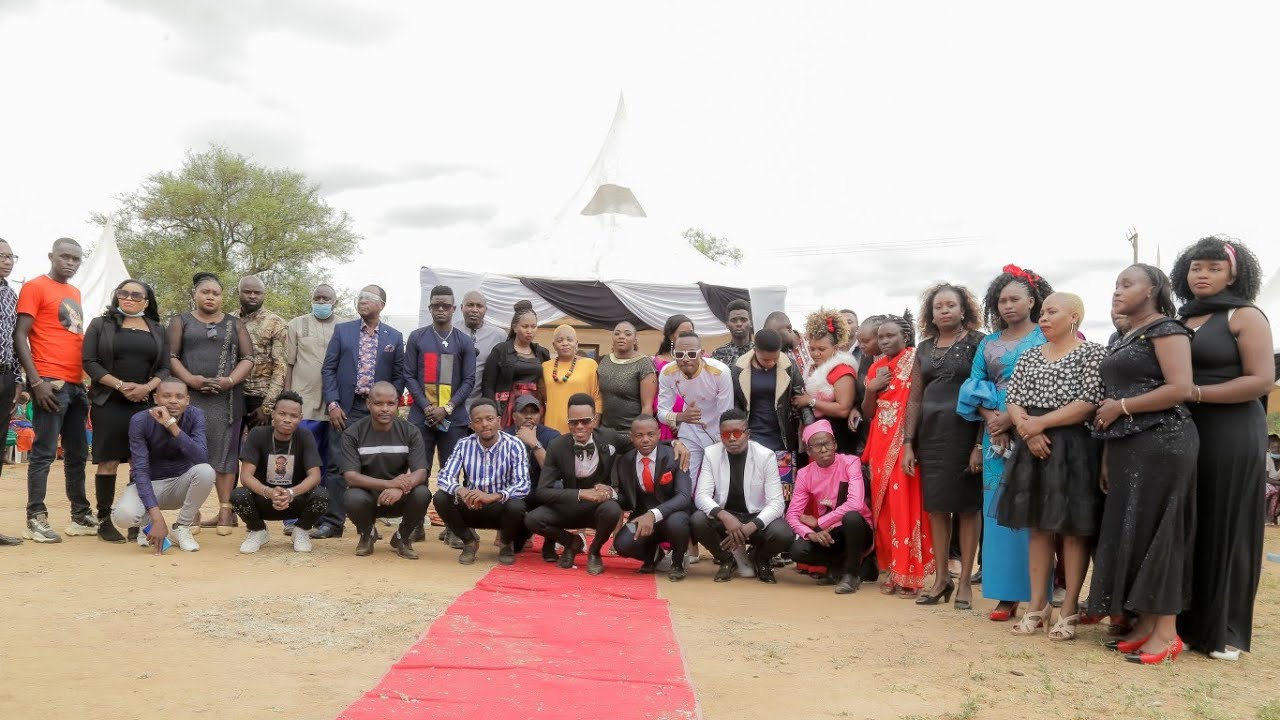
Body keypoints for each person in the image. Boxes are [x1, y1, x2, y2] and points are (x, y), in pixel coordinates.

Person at [1087, 264, 1198, 665]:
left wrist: (1122, 407)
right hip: (1127, 444)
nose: (1117, 291)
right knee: (1137, 531)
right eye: (1116, 284)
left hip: (1163, 440)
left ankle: (1167, 633)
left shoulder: (1167, 329)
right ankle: (1147, 624)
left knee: (1161, 531)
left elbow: (1180, 388)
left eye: (1127, 284)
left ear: (1152, 289)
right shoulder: (1125, 335)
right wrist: (1107, 452)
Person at [1172, 237, 1274, 661]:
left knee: (1227, 523)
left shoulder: (1244, 315)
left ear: (1234, 274)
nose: (1203, 274)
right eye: (1197, 267)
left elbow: (1261, 379)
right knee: (1190, 522)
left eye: (1214, 267)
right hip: (1185, 429)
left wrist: (1195, 393)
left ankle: (1227, 630)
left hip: (1232, 430)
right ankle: (1185, 623)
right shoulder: (1182, 317)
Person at [998, 293, 1106, 640]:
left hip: (1075, 448)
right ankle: (1037, 605)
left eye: (1051, 312)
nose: (1043, 318)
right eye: (1042, 312)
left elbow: (1088, 402)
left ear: (1074, 317)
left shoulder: (1092, 353)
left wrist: (1039, 425)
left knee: (1073, 531)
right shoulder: (1030, 355)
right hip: (1034, 447)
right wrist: (1028, 431)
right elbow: (1014, 400)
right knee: (1038, 528)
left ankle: (1069, 607)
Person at [958, 264, 1053, 621]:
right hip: (994, 432)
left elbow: (1051, 381)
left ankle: (1039, 595)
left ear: (1032, 300)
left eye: (1015, 299)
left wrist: (1013, 419)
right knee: (997, 511)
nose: (1008, 306)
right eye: (1001, 300)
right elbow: (973, 384)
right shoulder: (988, 342)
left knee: (1033, 509)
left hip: (1035, 427)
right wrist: (992, 420)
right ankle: (1005, 595)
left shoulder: (1046, 335)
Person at [901, 284, 985, 609]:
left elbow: (985, 392)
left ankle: (964, 582)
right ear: (931, 314)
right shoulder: (923, 348)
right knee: (936, 508)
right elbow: (914, 397)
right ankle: (941, 579)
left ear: (964, 310)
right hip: (931, 437)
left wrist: (979, 444)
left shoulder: (978, 343)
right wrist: (909, 443)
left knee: (967, 508)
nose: (945, 310)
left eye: (951, 305)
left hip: (965, 434)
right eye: (939, 307)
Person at [313, 285, 405, 540]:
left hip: (377, 412)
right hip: (346, 408)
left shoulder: (394, 337)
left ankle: (368, 525)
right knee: (337, 465)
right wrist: (333, 404)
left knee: (374, 466)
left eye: (369, 298)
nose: (363, 301)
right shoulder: (343, 331)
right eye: (360, 297)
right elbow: (328, 369)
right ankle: (333, 523)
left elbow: (398, 376)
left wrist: (387, 407)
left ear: (382, 305)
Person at [82, 279, 170, 544]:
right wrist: (121, 385)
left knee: (139, 461)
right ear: (117, 296)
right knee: (108, 461)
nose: (129, 298)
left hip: (144, 403)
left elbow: (164, 367)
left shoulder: (157, 329)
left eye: (136, 295)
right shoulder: (100, 324)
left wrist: (147, 388)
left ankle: (136, 520)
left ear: (147, 301)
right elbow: (89, 362)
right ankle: (104, 520)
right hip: (109, 401)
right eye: (124, 293)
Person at [17, 238, 92, 543]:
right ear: (51, 256)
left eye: (76, 259)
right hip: (49, 381)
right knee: (44, 452)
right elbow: (20, 335)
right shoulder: (35, 287)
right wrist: (36, 382)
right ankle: (35, 518)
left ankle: (80, 515)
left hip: (75, 383)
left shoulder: (74, 292)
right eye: (65, 257)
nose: (70, 263)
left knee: (77, 453)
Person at [167, 272, 254, 536]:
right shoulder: (180, 321)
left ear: (222, 297)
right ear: (195, 294)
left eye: (216, 293)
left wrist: (230, 381)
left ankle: (225, 511)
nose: (210, 297)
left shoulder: (235, 324)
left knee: (225, 453)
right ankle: (191, 512)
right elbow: (170, 356)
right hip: (190, 397)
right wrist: (190, 380)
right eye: (205, 292)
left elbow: (248, 358)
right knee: (189, 450)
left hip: (226, 398)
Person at [862, 315, 933, 597]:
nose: (884, 341)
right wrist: (871, 389)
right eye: (880, 337)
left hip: (905, 444)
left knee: (905, 506)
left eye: (890, 335)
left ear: (906, 337)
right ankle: (892, 570)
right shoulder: (876, 368)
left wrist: (911, 444)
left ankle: (910, 574)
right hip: (880, 445)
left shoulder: (915, 360)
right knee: (884, 510)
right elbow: (869, 412)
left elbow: (920, 402)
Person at [525, 393, 627, 575]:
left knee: (612, 509)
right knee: (533, 519)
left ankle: (594, 552)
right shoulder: (557, 445)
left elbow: (641, 443)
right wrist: (581, 493)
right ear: (568, 421)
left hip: (598, 509)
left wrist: (674, 443)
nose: (579, 426)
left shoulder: (609, 437)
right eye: (574, 422)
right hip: (569, 507)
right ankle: (572, 542)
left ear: (594, 420)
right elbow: (542, 491)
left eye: (585, 421)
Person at [113, 379, 216, 553]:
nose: (173, 401)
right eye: (166, 396)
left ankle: (181, 527)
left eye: (179, 396)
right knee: (122, 517)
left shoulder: (195, 415)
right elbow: (140, 470)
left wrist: (171, 425)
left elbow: (201, 457)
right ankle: (147, 525)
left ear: (187, 400)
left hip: (179, 484)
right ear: (155, 398)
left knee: (206, 471)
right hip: (148, 484)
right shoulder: (140, 420)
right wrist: (157, 518)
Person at [690, 409, 791, 583]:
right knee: (697, 520)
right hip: (726, 518)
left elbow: (777, 503)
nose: (731, 438)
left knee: (783, 534)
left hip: (756, 517)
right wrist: (725, 516)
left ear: (748, 434)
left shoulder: (766, 456)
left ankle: (760, 559)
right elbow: (701, 496)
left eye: (737, 433)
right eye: (725, 434)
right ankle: (726, 559)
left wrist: (752, 526)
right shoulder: (711, 454)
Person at [338, 382, 430, 558]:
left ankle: (403, 537)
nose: (385, 409)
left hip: (400, 495)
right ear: (368, 404)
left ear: (398, 404)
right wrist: (389, 484)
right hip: (369, 496)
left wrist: (399, 488)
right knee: (351, 497)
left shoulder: (410, 431)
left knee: (422, 493)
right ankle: (367, 534)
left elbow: (420, 472)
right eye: (378, 403)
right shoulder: (353, 433)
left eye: (391, 403)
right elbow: (351, 476)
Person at [434, 398, 531, 565]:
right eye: (478, 421)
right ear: (471, 425)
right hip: (473, 505)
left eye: (489, 419)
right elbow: (444, 476)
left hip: (500, 507)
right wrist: (462, 491)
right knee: (440, 498)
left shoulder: (514, 445)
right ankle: (469, 542)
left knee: (517, 505)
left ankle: (506, 544)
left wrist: (493, 496)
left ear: (499, 421)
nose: (485, 424)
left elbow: (523, 484)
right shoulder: (464, 444)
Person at [231, 390, 329, 554]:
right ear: (273, 414)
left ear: (300, 418)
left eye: (293, 416)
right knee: (238, 495)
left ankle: (301, 530)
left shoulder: (305, 436)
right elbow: (246, 476)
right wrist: (268, 492)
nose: (287, 419)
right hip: (264, 498)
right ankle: (258, 530)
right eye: (282, 414)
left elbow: (315, 476)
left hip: (294, 499)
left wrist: (291, 493)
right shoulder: (258, 434)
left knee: (322, 495)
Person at [786, 420, 873, 594]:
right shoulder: (804, 474)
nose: (824, 449)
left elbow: (855, 504)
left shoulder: (850, 462)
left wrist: (819, 523)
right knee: (798, 550)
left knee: (852, 517)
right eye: (817, 446)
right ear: (809, 451)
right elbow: (792, 515)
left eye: (827, 443)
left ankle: (851, 574)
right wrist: (811, 533)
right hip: (830, 534)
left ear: (835, 444)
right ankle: (839, 566)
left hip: (857, 530)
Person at [405, 285, 477, 475]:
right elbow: (409, 375)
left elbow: (469, 380)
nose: (440, 309)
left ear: (454, 308)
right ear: (429, 308)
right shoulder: (416, 337)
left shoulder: (464, 341)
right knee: (419, 472)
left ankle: (448, 497)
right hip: (421, 418)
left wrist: (447, 408)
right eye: (436, 306)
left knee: (451, 473)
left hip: (454, 419)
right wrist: (426, 407)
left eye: (445, 306)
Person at [612, 414, 693, 581]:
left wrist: (653, 514)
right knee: (622, 543)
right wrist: (611, 495)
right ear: (631, 437)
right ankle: (653, 556)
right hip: (641, 518)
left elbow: (684, 497)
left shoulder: (675, 456)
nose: (645, 440)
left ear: (659, 434)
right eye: (639, 435)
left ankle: (677, 562)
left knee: (677, 522)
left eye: (650, 434)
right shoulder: (625, 461)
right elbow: (627, 501)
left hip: (671, 515)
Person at [283, 284, 341, 499]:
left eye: (326, 299)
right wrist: (287, 399)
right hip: (304, 401)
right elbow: (289, 364)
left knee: (330, 458)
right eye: (317, 298)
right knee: (301, 455)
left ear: (334, 302)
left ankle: (322, 505)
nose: (321, 302)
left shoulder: (346, 326)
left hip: (334, 403)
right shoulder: (296, 324)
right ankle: (296, 505)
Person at [657, 332, 734, 485]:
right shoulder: (667, 373)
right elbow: (661, 413)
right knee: (687, 479)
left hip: (717, 430)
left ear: (701, 353)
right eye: (680, 354)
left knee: (717, 482)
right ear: (674, 354)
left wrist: (721, 440)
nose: (685, 359)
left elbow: (726, 413)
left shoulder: (719, 372)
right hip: (690, 430)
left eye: (691, 354)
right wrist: (681, 417)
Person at [502, 394, 560, 561]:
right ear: (514, 416)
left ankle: (549, 543)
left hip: (541, 491)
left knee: (559, 488)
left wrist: (534, 444)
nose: (529, 416)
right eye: (523, 412)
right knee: (517, 547)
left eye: (533, 412)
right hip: (516, 493)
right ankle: (511, 536)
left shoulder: (552, 436)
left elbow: (554, 472)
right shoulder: (504, 436)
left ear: (540, 415)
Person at [730, 328, 807, 455]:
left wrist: (810, 426)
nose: (771, 363)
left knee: (783, 469)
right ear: (755, 350)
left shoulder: (789, 366)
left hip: (784, 438)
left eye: (776, 358)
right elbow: (736, 403)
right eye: (765, 360)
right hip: (752, 438)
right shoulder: (739, 368)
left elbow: (801, 398)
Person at [796, 309, 860, 454]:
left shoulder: (842, 370)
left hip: (836, 438)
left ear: (835, 348)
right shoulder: (813, 368)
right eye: (812, 349)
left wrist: (810, 401)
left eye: (821, 349)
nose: (815, 353)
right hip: (816, 437)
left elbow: (843, 409)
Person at [483, 300, 549, 426]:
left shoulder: (542, 353)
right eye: (525, 326)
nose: (529, 331)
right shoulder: (501, 350)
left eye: (533, 326)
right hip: (507, 406)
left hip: (535, 406)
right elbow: (488, 385)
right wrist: (492, 413)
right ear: (514, 327)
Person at [237, 275, 288, 429]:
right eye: (247, 292)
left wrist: (267, 406)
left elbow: (280, 367)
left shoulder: (276, 323)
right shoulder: (229, 320)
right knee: (228, 444)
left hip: (261, 397)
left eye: (257, 292)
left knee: (260, 444)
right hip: (233, 395)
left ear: (264, 294)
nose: (252, 296)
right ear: (239, 292)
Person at [0, 238, 22, 546]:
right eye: (1, 256)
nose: (7, 261)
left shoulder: (10, 294)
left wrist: (18, 381)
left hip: (5, 379)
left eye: (10, 256)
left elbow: (16, 341)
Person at [597, 321, 657, 433]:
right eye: (617, 333)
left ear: (635, 340)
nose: (621, 336)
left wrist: (641, 433)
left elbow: (647, 406)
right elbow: (598, 398)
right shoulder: (605, 361)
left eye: (627, 334)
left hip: (631, 432)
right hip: (605, 431)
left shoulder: (644, 363)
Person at [542, 325, 601, 433]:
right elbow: (543, 398)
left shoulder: (590, 365)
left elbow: (597, 398)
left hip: (582, 427)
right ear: (554, 345)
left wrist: (594, 428)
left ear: (577, 343)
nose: (565, 343)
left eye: (569, 340)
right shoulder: (545, 367)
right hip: (552, 427)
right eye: (560, 340)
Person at [652, 314, 694, 441]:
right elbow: (654, 394)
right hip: (667, 420)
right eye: (683, 334)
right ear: (671, 336)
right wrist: (672, 419)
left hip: (693, 419)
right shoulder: (656, 362)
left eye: (691, 333)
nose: (688, 337)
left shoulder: (701, 360)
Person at [460, 291, 506, 409]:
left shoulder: (499, 335)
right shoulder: (451, 331)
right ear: (461, 308)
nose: (474, 310)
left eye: (479, 306)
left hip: (484, 404)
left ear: (486, 310)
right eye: (470, 305)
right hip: (453, 402)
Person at [764, 310, 809, 377]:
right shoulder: (775, 358)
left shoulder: (811, 342)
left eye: (777, 336)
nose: (774, 342)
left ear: (789, 328)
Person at [711, 299, 754, 367]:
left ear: (751, 323)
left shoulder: (759, 352)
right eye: (734, 320)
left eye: (743, 320)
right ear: (727, 324)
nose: (739, 324)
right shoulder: (718, 354)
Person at [1266, 434, 1280, 526]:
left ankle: (1272, 518)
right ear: (1269, 449)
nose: (1277, 450)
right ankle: (1267, 518)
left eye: (1279, 447)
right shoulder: (1267, 458)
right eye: (1273, 448)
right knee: (1271, 489)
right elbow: (1265, 478)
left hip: (1276, 485)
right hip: (1268, 484)